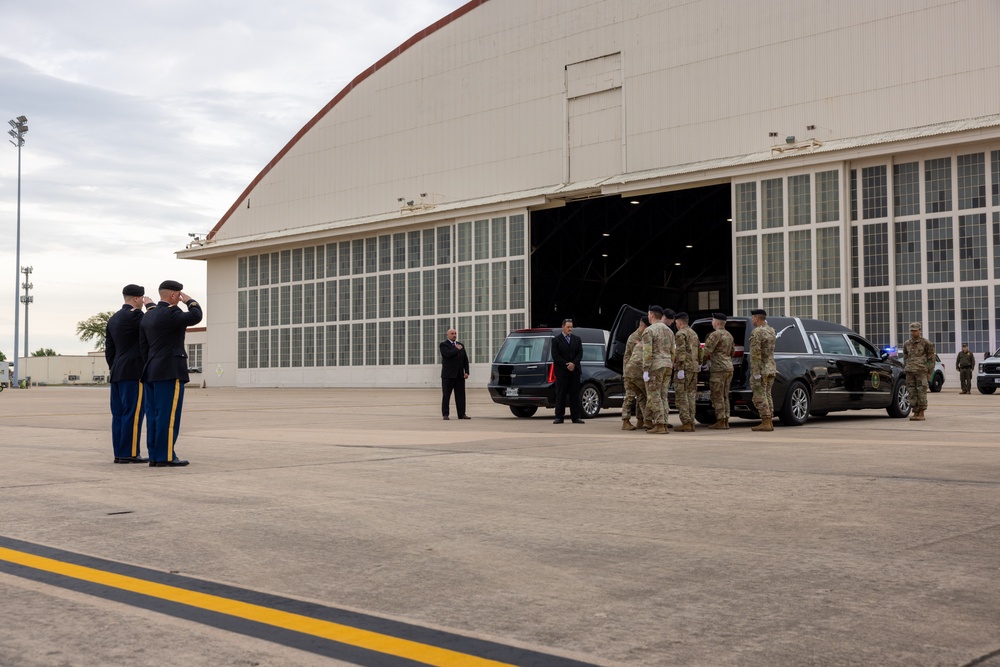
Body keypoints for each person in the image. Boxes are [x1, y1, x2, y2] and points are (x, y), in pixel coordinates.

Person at [140, 280, 203, 467]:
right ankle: (165, 456)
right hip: (169, 370)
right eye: (179, 294)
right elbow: (196, 315)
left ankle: (154, 455)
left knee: (153, 416)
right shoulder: (172, 313)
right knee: (168, 416)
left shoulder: (148, 316)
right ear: (174, 295)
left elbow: (143, 347)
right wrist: (189, 300)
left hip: (151, 370)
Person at [105, 284, 155, 463]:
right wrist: (151, 307)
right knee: (133, 413)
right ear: (136, 298)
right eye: (141, 298)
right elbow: (155, 322)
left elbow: (109, 349)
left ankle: (119, 453)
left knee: (118, 414)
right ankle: (130, 453)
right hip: (134, 371)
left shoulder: (113, 319)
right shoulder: (137, 316)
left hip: (117, 371)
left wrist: (114, 367)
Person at [641, 306, 674, 434]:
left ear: (651, 315)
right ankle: (664, 422)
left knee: (654, 395)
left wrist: (645, 369)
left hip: (655, 366)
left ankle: (660, 424)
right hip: (667, 365)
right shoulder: (669, 331)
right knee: (663, 395)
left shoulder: (649, 330)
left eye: (648, 314)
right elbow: (672, 351)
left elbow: (647, 352)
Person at [703, 312, 735, 430]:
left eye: (712, 320)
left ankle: (721, 420)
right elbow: (732, 352)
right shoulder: (729, 335)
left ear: (716, 322)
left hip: (718, 369)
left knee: (717, 395)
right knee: (725, 394)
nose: (712, 322)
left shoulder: (715, 335)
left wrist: (702, 363)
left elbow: (706, 351)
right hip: (728, 367)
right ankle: (725, 419)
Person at [551, 318, 584, 424]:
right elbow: (555, 356)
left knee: (575, 395)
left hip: (575, 372)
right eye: (568, 327)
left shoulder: (577, 339)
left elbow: (580, 353)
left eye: (571, 327)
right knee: (561, 394)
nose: (570, 329)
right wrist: (567, 365)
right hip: (562, 372)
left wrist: (574, 363)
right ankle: (559, 417)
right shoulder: (556, 340)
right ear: (563, 327)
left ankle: (576, 417)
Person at [749, 308, 776, 432]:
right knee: (767, 394)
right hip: (771, 367)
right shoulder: (771, 330)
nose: (752, 320)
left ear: (757, 318)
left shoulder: (757, 332)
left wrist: (756, 372)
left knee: (759, 395)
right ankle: (769, 420)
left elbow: (755, 354)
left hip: (761, 369)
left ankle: (766, 421)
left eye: (753, 317)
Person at [672, 312, 701, 432]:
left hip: (684, 369)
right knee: (691, 395)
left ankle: (686, 422)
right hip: (694, 368)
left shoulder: (680, 334)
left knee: (681, 396)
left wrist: (679, 368)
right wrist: (699, 363)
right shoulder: (693, 333)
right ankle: (691, 421)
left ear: (679, 322)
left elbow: (680, 352)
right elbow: (700, 350)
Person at [903, 322, 934, 421]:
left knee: (921, 391)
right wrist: (905, 367)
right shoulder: (907, 343)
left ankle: (921, 412)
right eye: (912, 331)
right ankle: (915, 411)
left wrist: (930, 372)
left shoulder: (926, 343)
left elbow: (931, 358)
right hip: (910, 371)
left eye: (915, 330)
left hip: (921, 371)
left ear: (919, 330)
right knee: (911, 391)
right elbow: (905, 357)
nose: (913, 332)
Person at [621, 316, 648, 431]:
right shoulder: (634, 337)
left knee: (641, 395)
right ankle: (625, 420)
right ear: (644, 326)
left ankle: (641, 420)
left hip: (639, 372)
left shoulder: (643, 336)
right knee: (630, 396)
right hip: (631, 373)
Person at [440, 328, 470, 420]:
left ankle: (462, 414)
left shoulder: (460, 345)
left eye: (455, 333)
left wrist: (466, 371)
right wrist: (456, 349)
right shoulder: (444, 345)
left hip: (459, 375)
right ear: (448, 335)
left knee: (461, 396)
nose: (454, 335)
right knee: (446, 395)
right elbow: (448, 354)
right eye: (452, 334)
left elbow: (465, 360)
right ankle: (445, 414)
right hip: (448, 375)